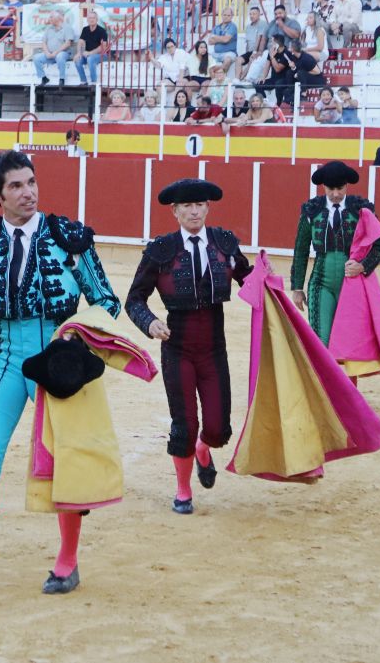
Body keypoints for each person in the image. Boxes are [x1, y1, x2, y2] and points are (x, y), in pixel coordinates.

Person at [0, 151, 121, 612]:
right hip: (8, 359)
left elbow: (106, 302)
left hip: (61, 361)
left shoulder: (68, 237)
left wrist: (75, 339)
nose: (28, 192)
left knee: (69, 462)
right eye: (15, 186)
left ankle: (68, 560)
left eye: (31, 182)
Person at [125, 179, 252, 515]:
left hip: (214, 346)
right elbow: (134, 299)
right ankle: (183, 491)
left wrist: (268, 285)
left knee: (217, 428)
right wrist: (150, 322)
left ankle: (204, 450)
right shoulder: (161, 250)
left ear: (207, 208)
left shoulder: (224, 245)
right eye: (187, 206)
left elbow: (248, 279)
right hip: (177, 346)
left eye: (200, 205)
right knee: (184, 422)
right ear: (175, 212)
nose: (194, 211)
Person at [291, 161, 380, 346]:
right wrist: (297, 287)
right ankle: (322, 376)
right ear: (323, 186)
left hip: (352, 285)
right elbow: (301, 250)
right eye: (330, 188)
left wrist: (363, 266)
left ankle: (344, 377)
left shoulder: (362, 210)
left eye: (340, 188)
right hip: (320, 283)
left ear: (347, 185)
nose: (335, 194)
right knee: (321, 342)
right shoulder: (312, 210)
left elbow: (379, 247)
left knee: (348, 345)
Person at [75, 10, 106, 86]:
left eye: (93, 18)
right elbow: (80, 42)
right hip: (88, 55)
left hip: (101, 55)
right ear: (87, 20)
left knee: (90, 58)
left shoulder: (102, 31)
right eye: (90, 18)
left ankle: (93, 82)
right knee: (77, 60)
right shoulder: (85, 29)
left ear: (97, 19)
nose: (91, 19)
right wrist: (79, 53)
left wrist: (90, 53)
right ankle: (83, 81)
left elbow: (103, 46)